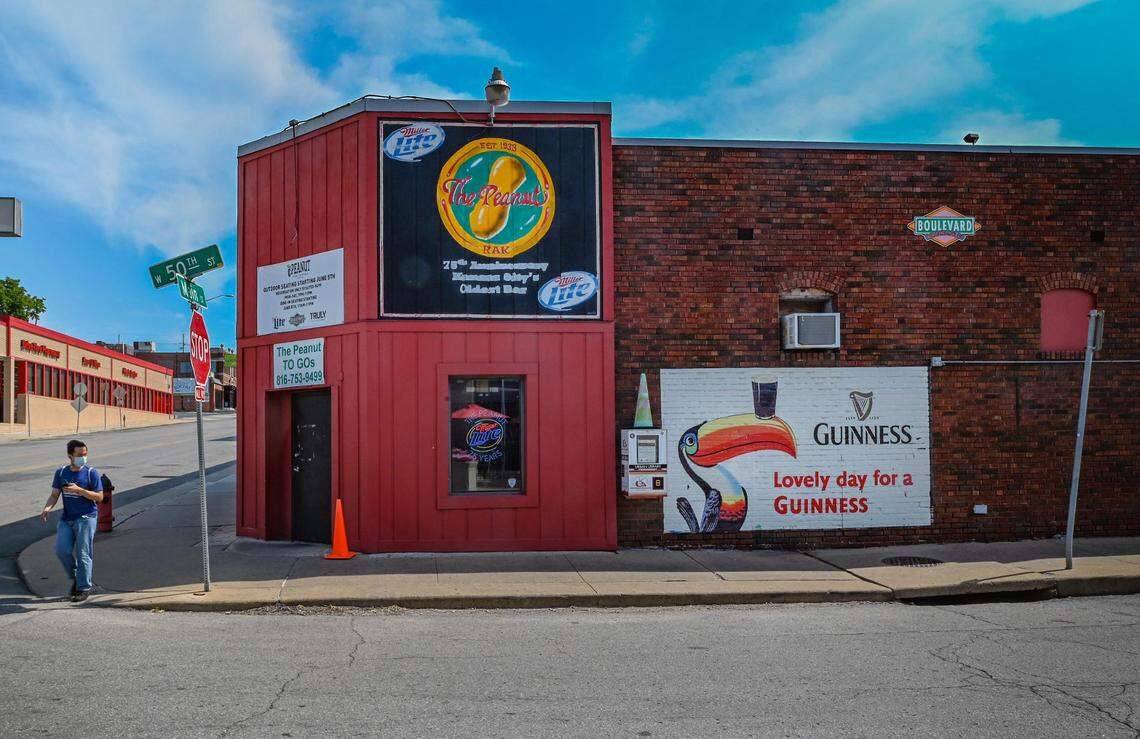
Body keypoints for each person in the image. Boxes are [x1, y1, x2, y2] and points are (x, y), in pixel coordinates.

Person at [39, 439, 104, 602]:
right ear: (70, 456)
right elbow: (54, 495)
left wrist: (80, 490)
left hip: (86, 518)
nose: (83, 457)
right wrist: (47, 508)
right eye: (80, 454)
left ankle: (83, 588)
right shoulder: (61, 473)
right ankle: (77, 576)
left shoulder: (91, 473)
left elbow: (100, 497)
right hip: (67, 519)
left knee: (83, 554)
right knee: (62, 551)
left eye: (85, 454)